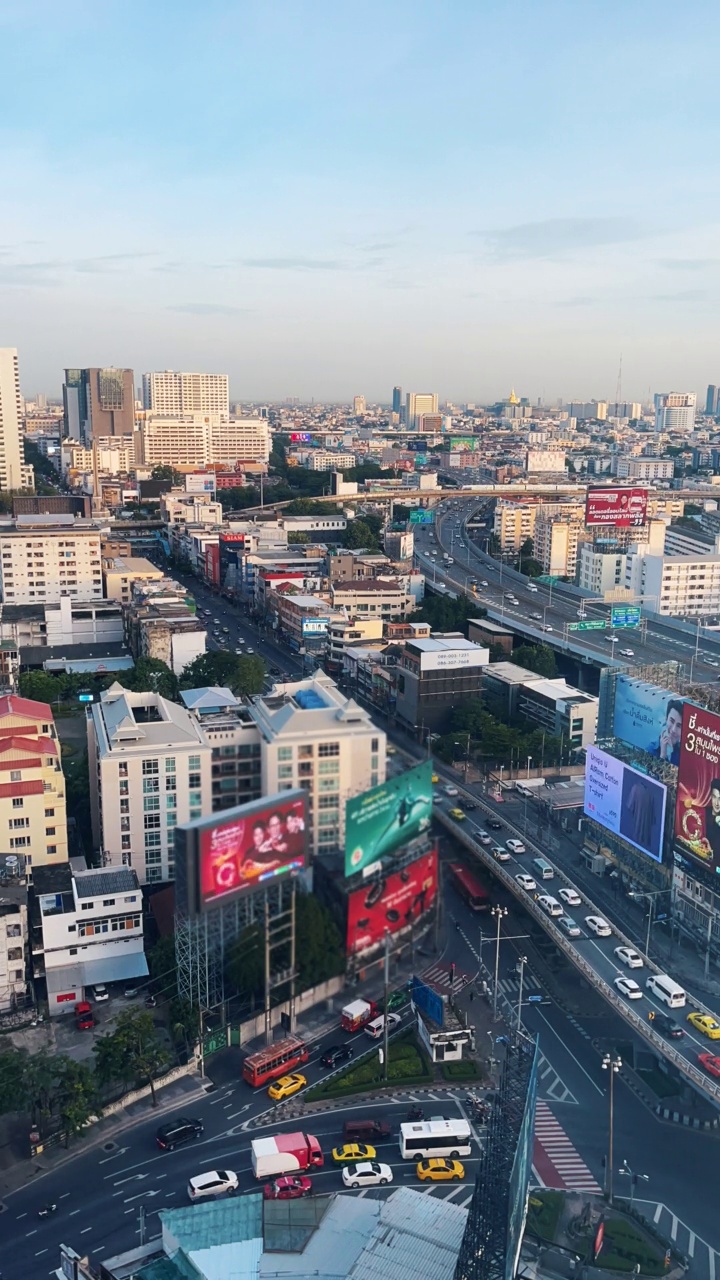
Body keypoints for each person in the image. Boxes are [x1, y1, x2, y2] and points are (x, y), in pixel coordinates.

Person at [648, 698, 684, 766]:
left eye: (679, 726)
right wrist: (663, 755)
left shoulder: (683, 756)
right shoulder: (651, 748)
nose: (673, 730)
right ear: (666, 719)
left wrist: (672, 753)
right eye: (672, 721)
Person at [703, 779, 720, 862]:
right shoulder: (702, 813)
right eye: (714, 797)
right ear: (710, 797)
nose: (717, 803)